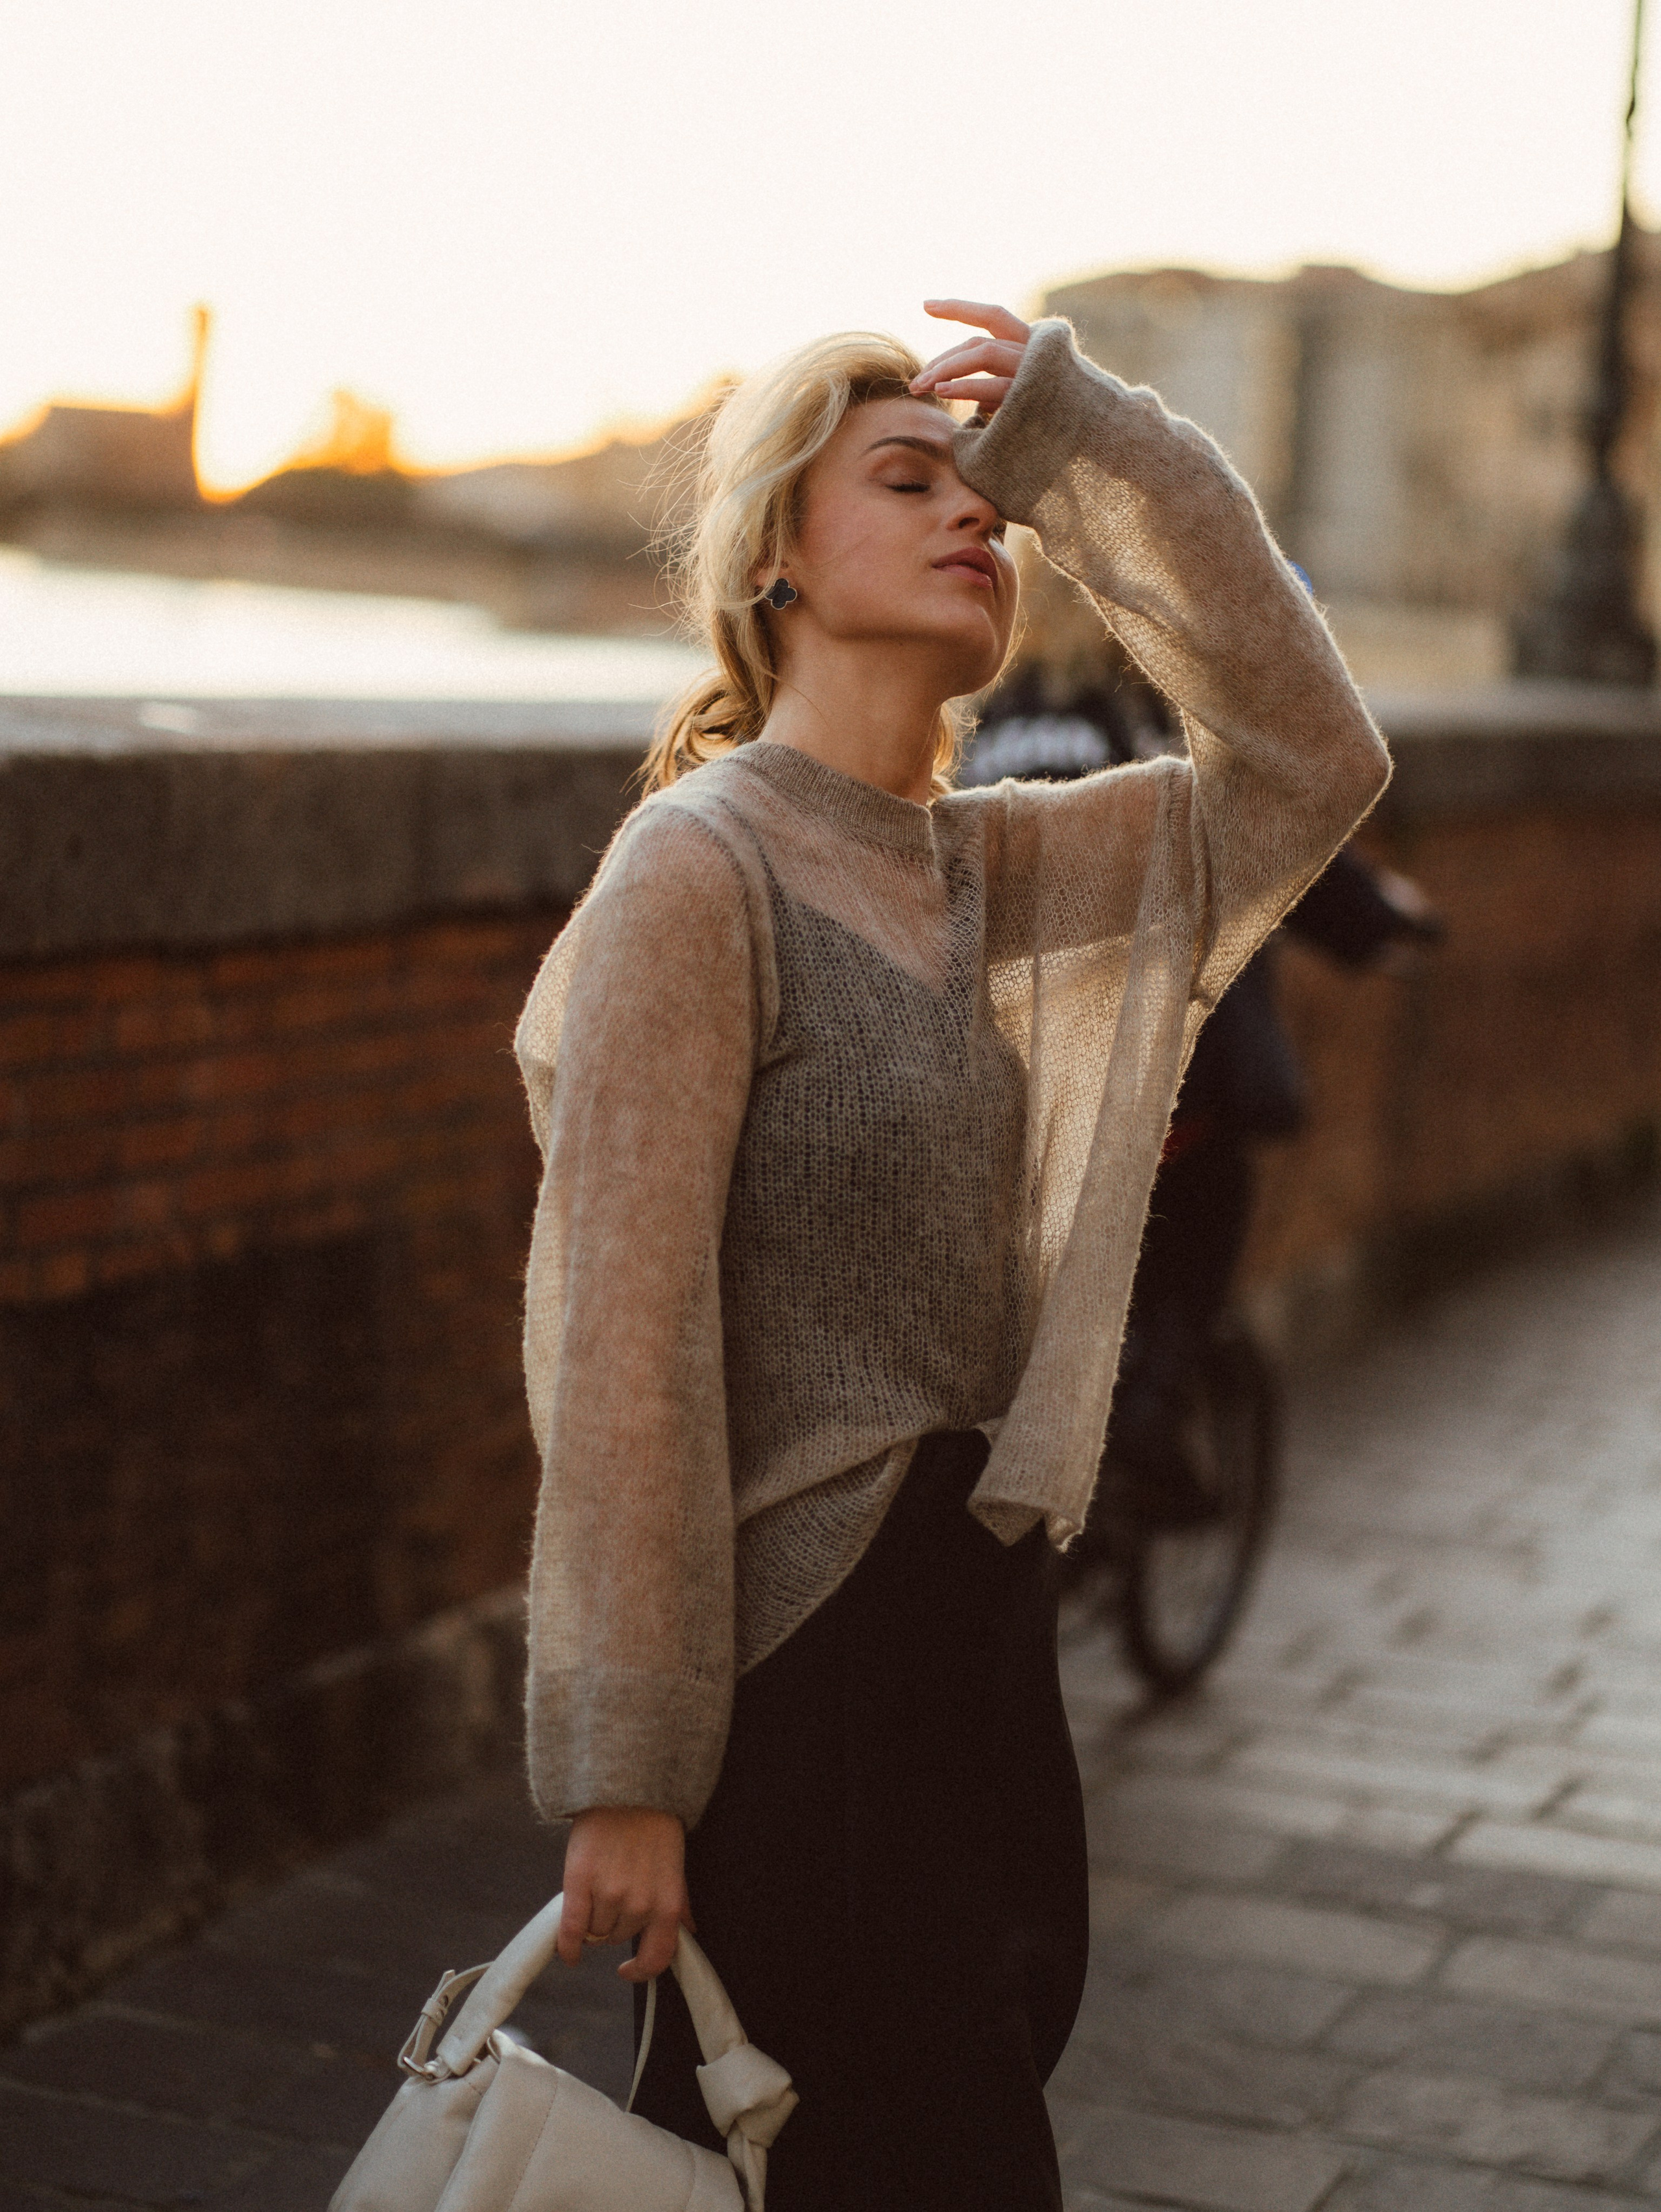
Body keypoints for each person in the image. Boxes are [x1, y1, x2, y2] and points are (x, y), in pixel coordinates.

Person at [511, 300, 1391, 2210]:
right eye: (907, 482)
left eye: (985, 494)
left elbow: (1311, 760)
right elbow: (623, 1339)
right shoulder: (698, 870)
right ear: (772, 555)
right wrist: (627, 1772)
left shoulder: (988, 870)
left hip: (978, 1659)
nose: (973, 515)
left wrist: (1095, 445)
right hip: (797, 1688)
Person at [965, 684, 1442, 1522]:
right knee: (1209, 1202)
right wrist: (1380, 922)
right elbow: (1274, 839)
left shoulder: (983, 721)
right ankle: (1147, 1415)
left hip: (1001, 1063)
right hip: (1143, 1077)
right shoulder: (1160, 718)